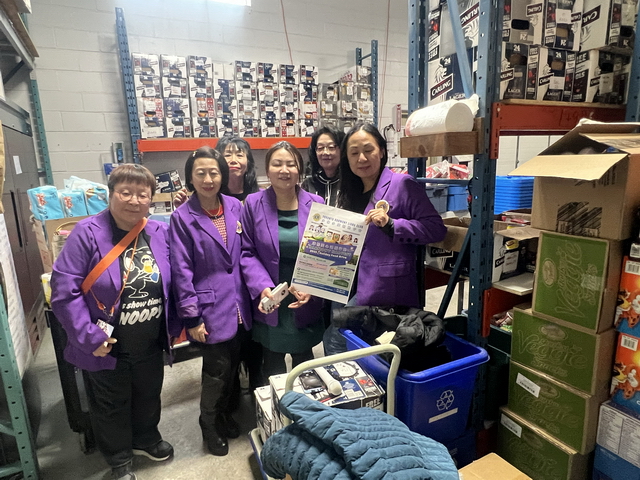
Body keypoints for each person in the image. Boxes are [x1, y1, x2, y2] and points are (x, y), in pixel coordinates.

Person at [50, 164, 174, 480]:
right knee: (110, 403)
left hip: (149, 339)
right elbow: (64, 291)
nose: (134, 200)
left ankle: (146, 438)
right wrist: (89, 336)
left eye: (142, 194)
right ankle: (118, 457)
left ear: (151, 199)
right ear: (111, 194)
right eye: (125, 192)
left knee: (148, 394)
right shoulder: (86, 233)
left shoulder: (159, 232)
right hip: (105, 343)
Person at [323, 122, 448, 355]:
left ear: (381, 151)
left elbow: (435, 229)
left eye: (368, 150)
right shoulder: (351, 191)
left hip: (384, 287)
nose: (362, 158)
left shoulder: (402, 184)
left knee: (337, 340)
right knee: (353, 343)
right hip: (347, 279)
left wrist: (392, 225)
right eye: (354, 153)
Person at [169, 147, 251, 457]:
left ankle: (224, 415)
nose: (208, 179)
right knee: (216, 372)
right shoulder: (182, 217)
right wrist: (192, 317)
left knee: (233, 369)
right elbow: (181, 270)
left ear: (222, 175)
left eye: (214, 172)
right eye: (200, 173)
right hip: (209, 309)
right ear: (190, 177)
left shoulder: (235, 206)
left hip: (240, 305)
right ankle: (208, 423)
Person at [240, 141, 325, 378]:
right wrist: (262, 287)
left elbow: (323, 252)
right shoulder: (253, 204)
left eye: (291, 164)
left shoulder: (317, 204)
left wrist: (312, 287)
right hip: (270, 295)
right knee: (271, 367)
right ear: (267, 170)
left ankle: (305, 403)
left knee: (305, 367)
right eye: (277, 164)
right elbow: (247, 251)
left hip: (304, 295)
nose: (284, 170)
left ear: (300, 170)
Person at [302, 125, 344, 206]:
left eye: (331, 147)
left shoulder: (351, 182)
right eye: (320, 148)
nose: (325, 152)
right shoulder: (309, 184)